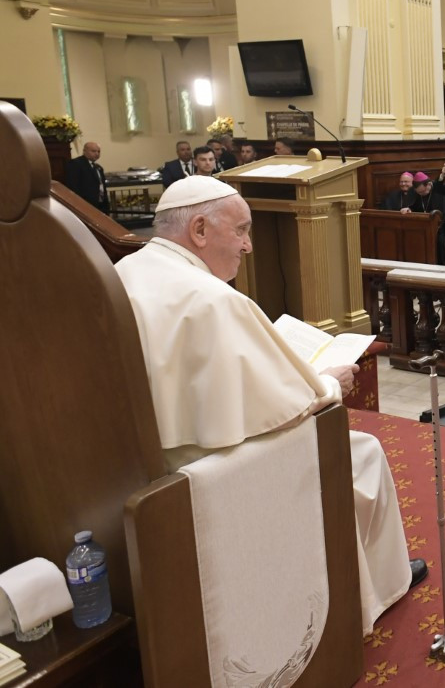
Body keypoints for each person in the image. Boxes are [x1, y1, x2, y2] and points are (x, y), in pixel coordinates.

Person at [113, 176, 426, 635]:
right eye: (241, 230)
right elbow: (291, 407)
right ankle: (375, 590)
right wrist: (327, 382)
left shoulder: (125, 272)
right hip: (213, 472)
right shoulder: (212, 298)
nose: (249, 247)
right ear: (199, 229)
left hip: (150, 461)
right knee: (362, 453)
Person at [65, 140, 109, 213]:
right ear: (84, 151)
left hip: (100, 205)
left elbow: (102, 186)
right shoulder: (76, 164)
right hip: (85, 205)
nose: (97, 154)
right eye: (93, 151)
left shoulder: (99, 168)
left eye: (98, 151)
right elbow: (73, 186)